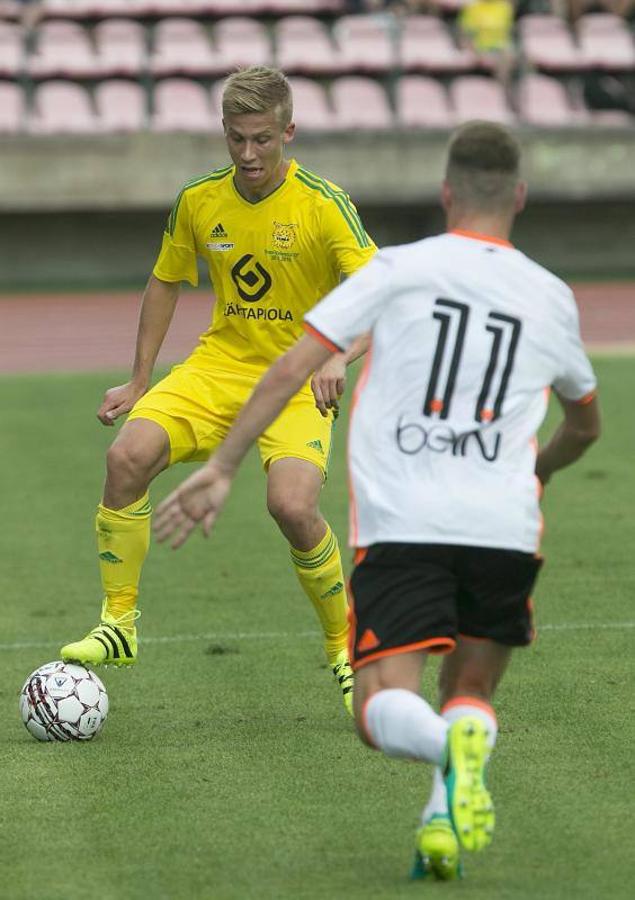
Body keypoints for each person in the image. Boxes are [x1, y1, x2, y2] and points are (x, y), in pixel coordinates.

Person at [152, 121, 600, 880]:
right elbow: (585, 424)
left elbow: (295, 364)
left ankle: (443, 759)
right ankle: (439, 823)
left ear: (445, 192)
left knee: (380, 708)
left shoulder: (396, 269)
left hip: (406, 524)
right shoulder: (551, 297)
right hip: (504, 528)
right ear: (519, 196)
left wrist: (225, 463)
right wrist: (541, 472)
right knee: (468, 692)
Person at [60, 66, 377, 716]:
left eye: (262, 139)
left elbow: (380, 293)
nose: (249, 154)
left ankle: (341, 643)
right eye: (236, 139)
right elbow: (165, 279)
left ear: (287, 131)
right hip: (219, 369)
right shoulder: (200, 199)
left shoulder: (322, 204)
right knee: (126, 458)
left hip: (297, 381)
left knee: (291, 507)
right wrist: (141, 377)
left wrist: (340, 355)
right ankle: (119, 624)